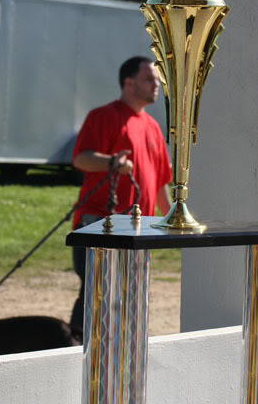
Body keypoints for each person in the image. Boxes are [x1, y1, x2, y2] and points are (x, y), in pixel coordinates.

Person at [70, 56, 172, 337]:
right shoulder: (104, 117)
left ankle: (121, 348)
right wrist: (113, 162)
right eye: (149, 79)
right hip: (100, 223)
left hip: (139, 228)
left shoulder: (152, 126)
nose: (156, 85)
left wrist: (170, 224)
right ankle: (79, 349)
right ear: (129, 83)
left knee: (129, 296)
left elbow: (161, 182)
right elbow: (81, 158)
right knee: (96, 294)